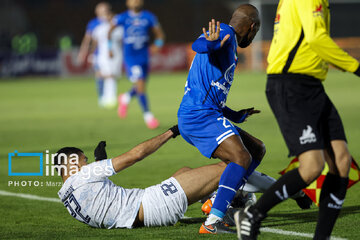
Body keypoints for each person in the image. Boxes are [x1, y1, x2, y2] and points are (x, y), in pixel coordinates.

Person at [235, 1, 360, 239]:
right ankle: (254, 214)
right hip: (291, 85)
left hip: (311, 86)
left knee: (341, 162)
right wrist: (356, 66)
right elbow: (316, 39)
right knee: (313, 166)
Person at [177, 4, 262, 234]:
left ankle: (220, 198)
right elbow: (199, 45)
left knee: (256, 149)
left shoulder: (229, 42)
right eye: (255, 32)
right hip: (198, 116)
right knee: (242, 157)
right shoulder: (225, 32)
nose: (253, 38)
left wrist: (236, 115)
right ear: (252, 27)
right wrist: (211, 43)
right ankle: (213, 219)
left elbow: (213, 93)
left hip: (206, 114)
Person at [55, 126, 236, 232]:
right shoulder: (86, 174)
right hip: (154, 204)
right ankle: (216, 216)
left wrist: (99, 163)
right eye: (83, 160)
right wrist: (172, 132)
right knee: (230, 165)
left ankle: (214, 203)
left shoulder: (67, 198)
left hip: (142, 215)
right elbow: (136, 155)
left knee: (185, 171)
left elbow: (99, 200)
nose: (86, 164)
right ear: (72, 163)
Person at [110, 0, 165, 129]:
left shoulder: (149, 17)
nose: (135, 2)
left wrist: (158, 45)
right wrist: (109, 47)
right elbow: (109, 32)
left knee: (141, 85)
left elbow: (160, 34)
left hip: (144, 56)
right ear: (127, 3)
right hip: (131, 57)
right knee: (140, 84)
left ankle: (126, 97)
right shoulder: (122, 17)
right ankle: (148, 116)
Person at [77, 2, 112, 106]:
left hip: (111, 54)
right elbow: (87, 39)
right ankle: (101, 97)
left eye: (106, 10)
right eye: (102, 10)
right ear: (97, 11)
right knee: (99, 74)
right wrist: (83, 52)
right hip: (98, 54)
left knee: (110, 75)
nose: (104, 12)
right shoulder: (93, 23)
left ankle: (109, 96)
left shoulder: (112, 21)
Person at [91, 9, 124, 108]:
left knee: (113, 76)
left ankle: (108, 97)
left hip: (116, 55)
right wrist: (92, 54)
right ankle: (108, 98)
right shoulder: (99, 28)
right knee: (107, 75)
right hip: (103, 56)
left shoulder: (118, 29)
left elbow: (122, 42)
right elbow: (95, 43)